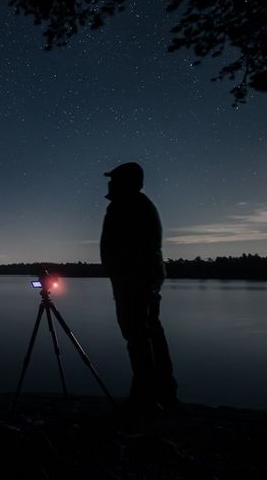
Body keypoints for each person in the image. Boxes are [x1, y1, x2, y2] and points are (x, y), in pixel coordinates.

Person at [100, 162, 178, 413]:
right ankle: (162, 393)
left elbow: (132, 248)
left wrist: (126, 276)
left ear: (127, 182)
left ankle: (145, 398)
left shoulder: (128, 205)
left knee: (139, 336)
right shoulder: (134, 204)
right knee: (149, 333)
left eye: (114, 179)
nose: (109, 183)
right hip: (140, 278)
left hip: (134, 280)